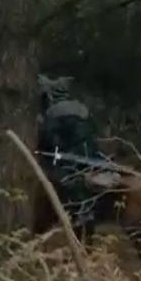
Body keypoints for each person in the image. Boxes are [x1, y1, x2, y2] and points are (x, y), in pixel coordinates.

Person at [36, 74, 103, 227]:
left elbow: (49, 141)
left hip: (73, 157)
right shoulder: (81, 108)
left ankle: (82, 212)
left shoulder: (54, 113)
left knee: (64, 179)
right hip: (92, 154)